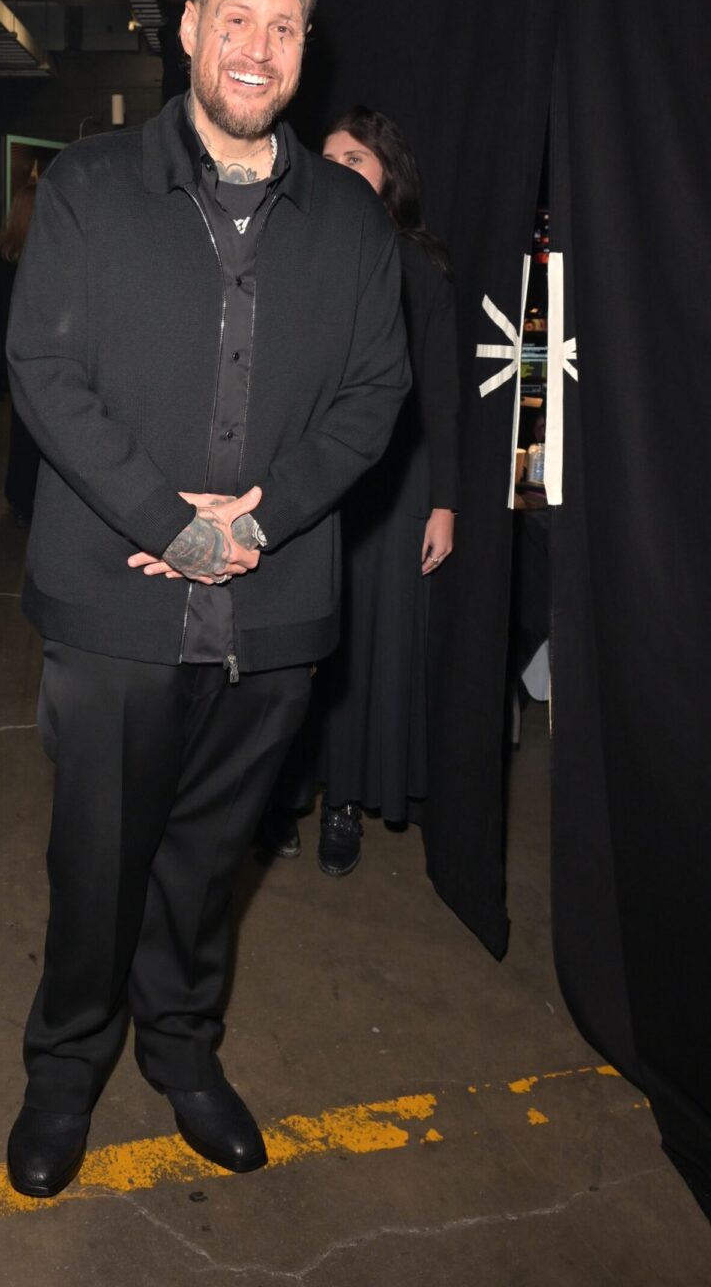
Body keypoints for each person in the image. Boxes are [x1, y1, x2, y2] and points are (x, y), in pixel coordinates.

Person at [4, 0, 409, 1199]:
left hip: (272, 614)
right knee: (98, 868)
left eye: (285, 24)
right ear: (187, 28)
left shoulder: (350, 221)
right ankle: (65, 1073)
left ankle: (183, 1055)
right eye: (236, 15)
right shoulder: (86, 186)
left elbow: (374, 391)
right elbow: (44, 372)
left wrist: (251, 523)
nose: (258, 46)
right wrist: (162, 519)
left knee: (205, 867)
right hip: (113, 617)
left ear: (306, 49)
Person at [260, 108, 460, 876]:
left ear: (388, 176)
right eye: (329, 156)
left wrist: (444, 501)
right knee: (295, 642)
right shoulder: (294, 249)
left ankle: (345, 800)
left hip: (396, 484)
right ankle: (282, 792)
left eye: (357, 158)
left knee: (366, 649)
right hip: (307, 477)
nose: (338, 167)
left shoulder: (419, 264)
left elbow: (442, 389)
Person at [0, 184, 40, 525]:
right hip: (40, 354)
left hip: (12, 353)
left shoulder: (1, 258)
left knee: (22, 431)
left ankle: (20, 496)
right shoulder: (47, 254)